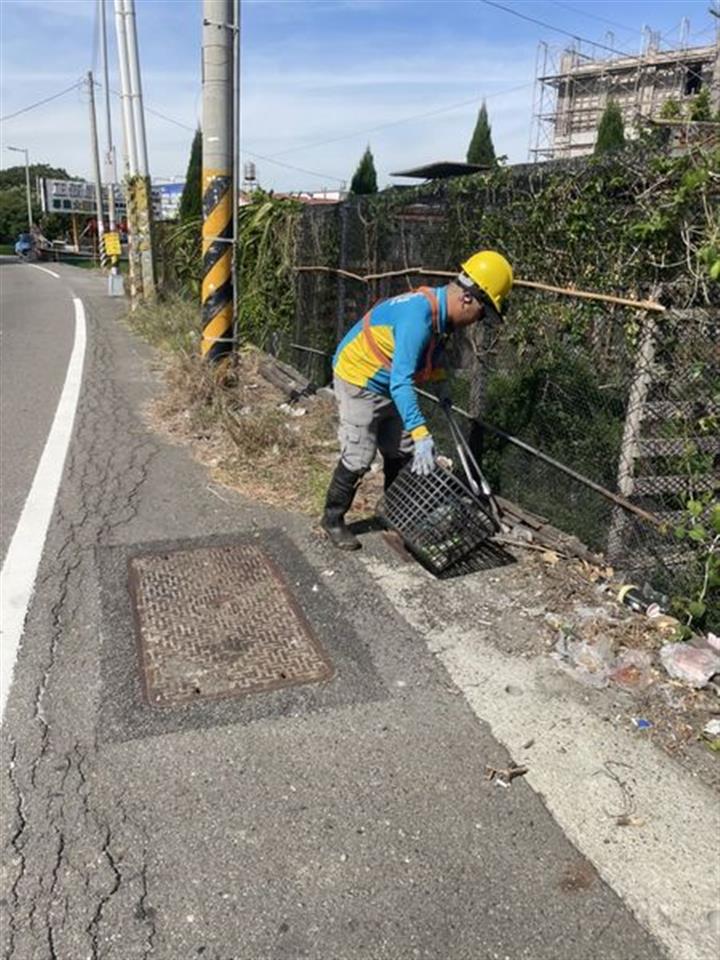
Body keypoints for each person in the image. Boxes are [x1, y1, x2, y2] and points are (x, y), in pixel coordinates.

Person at [321, 249, 513, 550]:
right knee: (360, 455)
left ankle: (394, 514)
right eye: (481, 312)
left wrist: (441, 388)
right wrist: (422, 432)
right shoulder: (418, 317)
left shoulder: (440, 317)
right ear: (467, 298)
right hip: (359, 377)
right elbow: (402, 381)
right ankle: (332, 520)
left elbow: (427, 358)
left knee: (401, 449)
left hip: (389, 380)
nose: (478, 320)